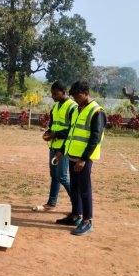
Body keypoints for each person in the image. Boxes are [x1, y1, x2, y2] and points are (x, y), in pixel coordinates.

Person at [54, 81, 106, 235]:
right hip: (72, 156)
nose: (75, 99)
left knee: (84, 190)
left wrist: (83, 159)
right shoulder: (78, 109)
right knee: (75, 188)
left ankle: (87, 221)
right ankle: (75, 215)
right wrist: (62, 151)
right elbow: (72, 133)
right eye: (74, 96)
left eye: (78, 96)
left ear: (85, 93)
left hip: (84, 159)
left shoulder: (97, 111)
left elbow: (94, 139)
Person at [32, 81, 77, 212]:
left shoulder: (72, 107)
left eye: (55, 94)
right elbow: (52, 125)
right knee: (54, 176)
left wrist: (55, 134)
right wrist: (48, 133)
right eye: (52, 94)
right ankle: (51, 203)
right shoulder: (56, 107)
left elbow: (72, 130)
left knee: (62, 176)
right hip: (53, 146)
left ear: (64, 92)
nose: (53, 96)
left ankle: (77, 205)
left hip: (64, 148)